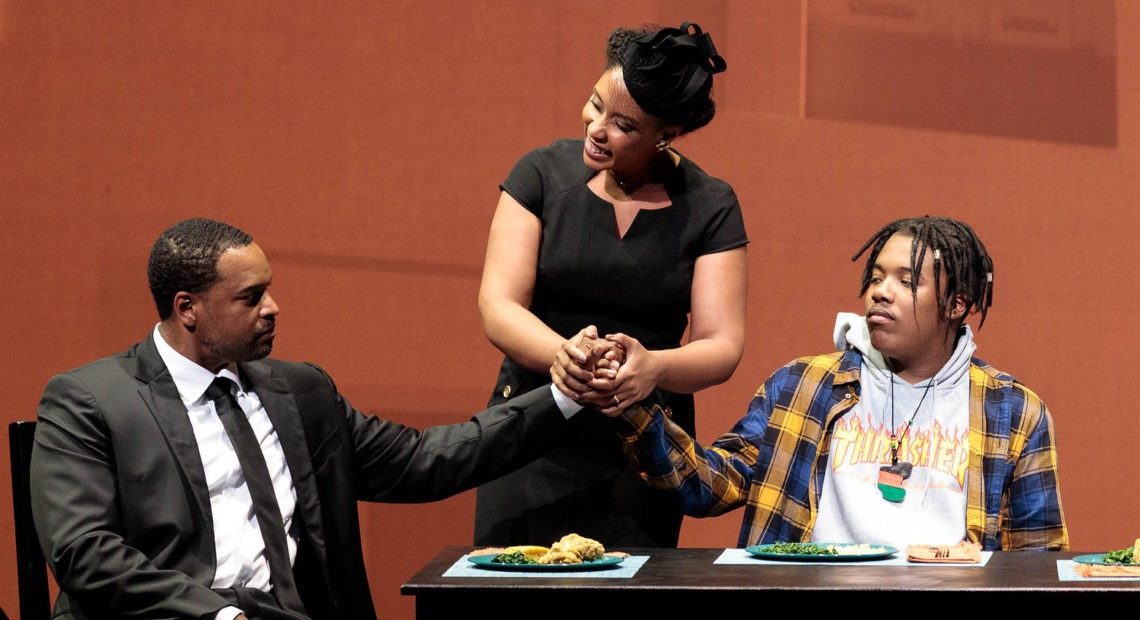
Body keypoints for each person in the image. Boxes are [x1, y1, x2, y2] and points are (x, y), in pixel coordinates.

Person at [29, 218, 591, 620]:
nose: (273, 307)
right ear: (187, 309)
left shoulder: (300, 391)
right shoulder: (90, 401)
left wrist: (565, 394)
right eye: (251, 298)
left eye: (269, 290)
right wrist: (218, 616)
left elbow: (424, 460)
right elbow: (85, 551)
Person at [602, 216, 1068, 551]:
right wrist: (635, 405)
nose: (880, 291)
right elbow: (708, 486)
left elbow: (1035, 559)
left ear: (956, 305)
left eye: (906, 281)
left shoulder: (1013, 412)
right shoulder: (802, 387)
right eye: (876, 276)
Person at [474, 21, 749, 548]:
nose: (596, 127)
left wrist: (654, 368)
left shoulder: (710, 205)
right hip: (532, 431)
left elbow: (722, 344)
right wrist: (566, 357)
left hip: (646, 446)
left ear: (665, 132)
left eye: (622, 123)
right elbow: (498, 303)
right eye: (594, 104)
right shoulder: (540, 174)